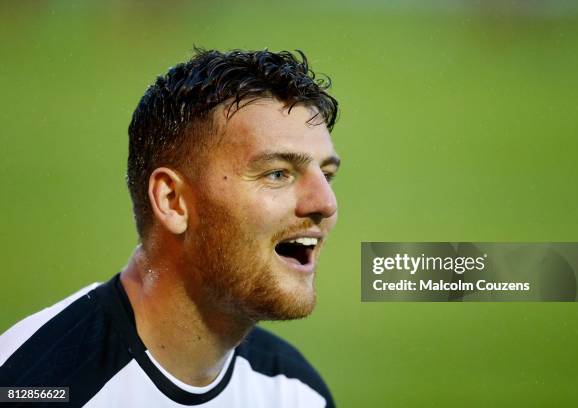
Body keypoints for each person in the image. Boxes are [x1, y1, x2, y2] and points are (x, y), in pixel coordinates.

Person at [0, 48, 340, 407]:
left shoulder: (295, 393)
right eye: (277, 174)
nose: (325, 203)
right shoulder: (32, 385)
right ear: (172, 201)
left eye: (328, 175)